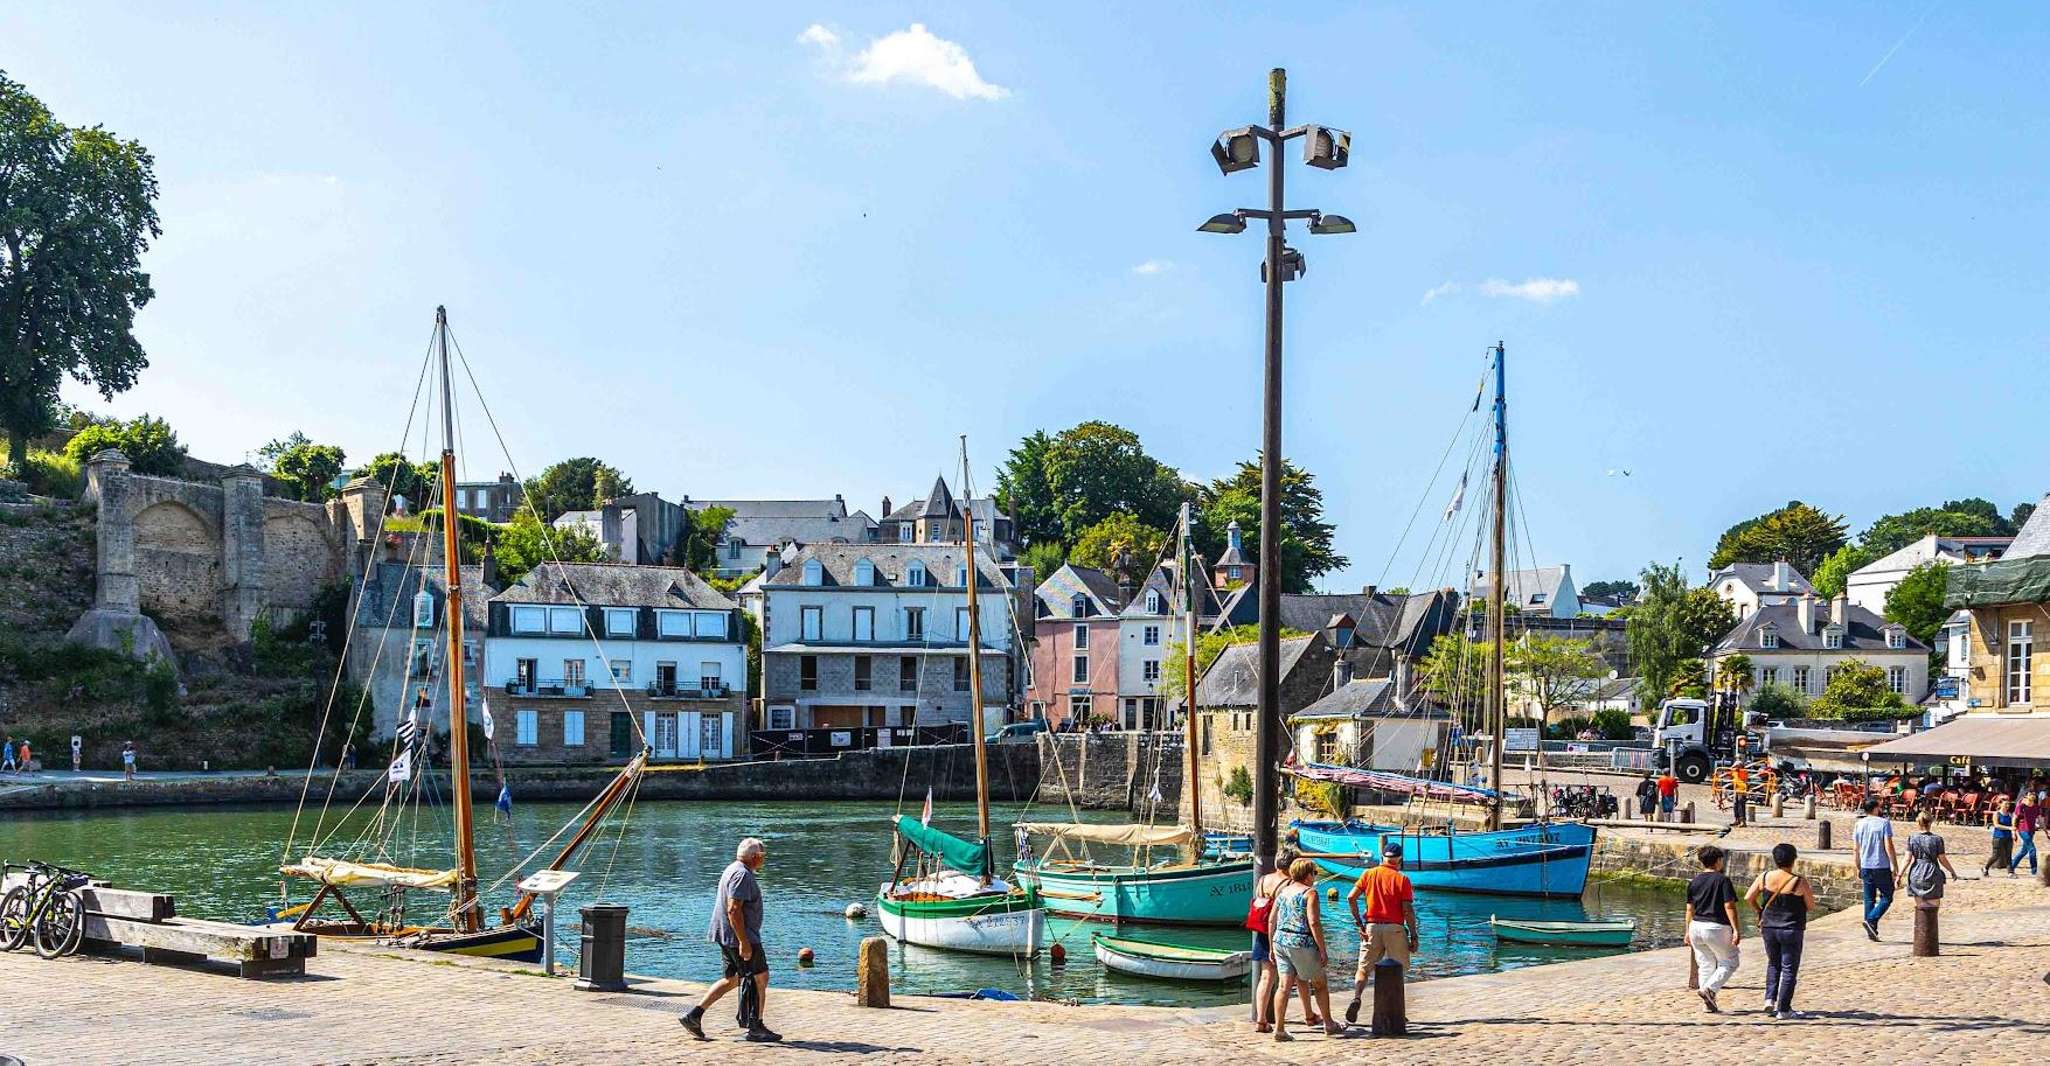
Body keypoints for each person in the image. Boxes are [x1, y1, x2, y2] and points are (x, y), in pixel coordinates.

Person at [681, 838, 779, 1042]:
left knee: (732, 979)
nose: (764, 860)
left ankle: (694, 1016)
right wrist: (744, 942)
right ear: (755, 857)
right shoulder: (742, 875)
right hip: (741, 937)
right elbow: (734, 909)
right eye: (762, 856)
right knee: (759, 977)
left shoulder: (732, 869)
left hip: (727, 935)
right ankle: (756, 1026)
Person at [1268, 857, 1345, 1042]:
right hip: (1301, 942)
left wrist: (1271, 945)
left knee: (1284, 986)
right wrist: (1322, 949)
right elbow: (1314, 922)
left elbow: (1272, 920)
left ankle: (1279, 1029)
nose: (1315, 876)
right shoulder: (1310, 894)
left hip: (1280, 941)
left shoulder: (1283, 892)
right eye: (1314, 873)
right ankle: (1328, 1024)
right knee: (1319, 983)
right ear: (1308, 875)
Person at [1344, 842, 1419, 1026]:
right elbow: (1407, 910)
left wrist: (1358, 923)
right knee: (1397, 970)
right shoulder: (1402, 880)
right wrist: (1414, 936)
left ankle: (1357, 997)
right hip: (1394, 928)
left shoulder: (1369, 874)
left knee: (1363, 969)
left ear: (1382, 857)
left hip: (1371, 926)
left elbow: (1350, 897)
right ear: (1399, 859)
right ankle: (1395, 1010)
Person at [1745, 842, 1816, 1019]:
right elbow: (1810, 905)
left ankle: (1769, 999)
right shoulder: (1798, 881)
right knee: (1789, 968)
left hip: (1769, 927)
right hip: (1791, 927)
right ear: (1793, 860)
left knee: (1773, 963)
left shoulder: (1764, 877)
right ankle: (1784, 1009)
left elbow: (1749, 897)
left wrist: (1759, 910)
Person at [1684, 845, 1741, 1013]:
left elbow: (1689, 909)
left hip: (1696, 926)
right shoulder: (1722, 880)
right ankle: (1710, 989)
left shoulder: (1694, 881)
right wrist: (1736, 929)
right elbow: (1729, 906)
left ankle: (1708, 1003)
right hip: (1716, 926)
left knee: (1705, 964)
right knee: (1730, 961)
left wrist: (1687, 931)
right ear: (1718, 860)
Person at [1249, 848, 1297, 1034]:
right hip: (1280, 932)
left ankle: (1261, 1019)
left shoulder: (1262, 880)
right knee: (1290, 979)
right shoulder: (1288, 884)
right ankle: (1288, 1021)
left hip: (1262, 932)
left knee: (1266, 977)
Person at [1852, 797, 1898, 941]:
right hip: (1881, 865)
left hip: (1866, 864)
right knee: (1887, 896)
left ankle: (1871, 929)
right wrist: (1894, 865)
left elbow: (1855, 848)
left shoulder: (1859, 824)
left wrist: (1858, 865)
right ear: (1876, 808)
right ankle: (1871, 920)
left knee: (1869, 899)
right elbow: (1888, 846)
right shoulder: (1884, 823)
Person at [1984, 795, 2017, 877]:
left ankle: (2010, 872)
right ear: (2000, 804)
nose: (2007, 806)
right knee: (1996, 855)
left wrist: (2013, 834)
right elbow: (1996, 825)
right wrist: (2009, 828)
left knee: (2008, 855)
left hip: (2008, 837)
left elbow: (2013, 826)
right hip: (1998, 837)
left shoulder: (2010, 815)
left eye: (2008, 804)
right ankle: (1985, 868)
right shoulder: (1997, 814)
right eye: (2005, 804)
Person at [2014, 791, 2043, 877]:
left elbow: (2040, 819)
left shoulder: (2036, 807)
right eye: (2030, 794)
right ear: (2026, 796)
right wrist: (2013, 830)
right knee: (2032, 849)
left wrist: (2045, 830)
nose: (2033, 796)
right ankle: (2034, 870)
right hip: (2022, 830)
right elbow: (2015, 818)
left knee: (2023, 851)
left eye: (2034, 794)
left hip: (2031, 830)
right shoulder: (2021, 806)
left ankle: (2011, 866)